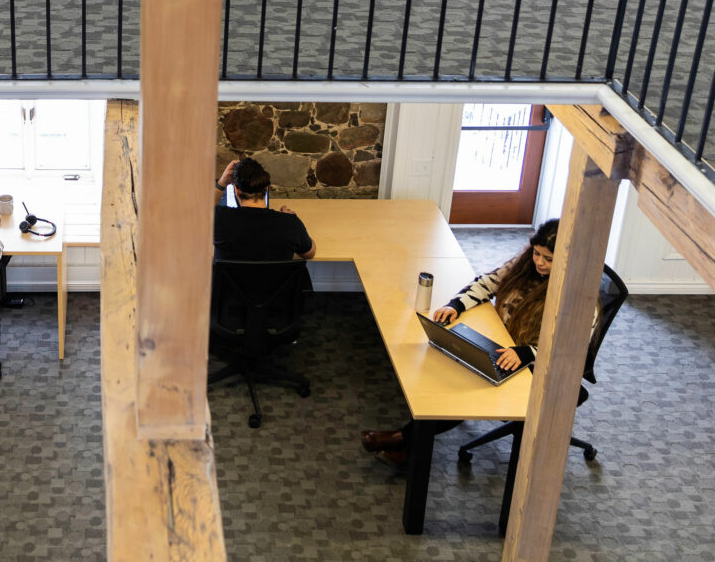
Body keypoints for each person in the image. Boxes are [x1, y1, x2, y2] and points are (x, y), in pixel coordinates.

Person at [361, 220, 560, 467]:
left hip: (539, 366)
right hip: (505, 345)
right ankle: (407, 441)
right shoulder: (524, 266)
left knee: (464, 389)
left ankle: (403, 440)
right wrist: (456, 304)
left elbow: (569, 351)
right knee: (452, 365)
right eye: (537, 253)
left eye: (549, 259)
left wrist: (527, 353)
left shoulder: (574, 296)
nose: (539, 262)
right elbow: (487, 283)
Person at [212, 157, 317, 262]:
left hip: (229, 279)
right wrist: (293, 221)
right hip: (275, 279)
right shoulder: (290, 223)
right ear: (266, 188)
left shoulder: (218, 219)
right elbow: (310, 253)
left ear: (236, 190)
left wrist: (221, 183)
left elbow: (204, 211)